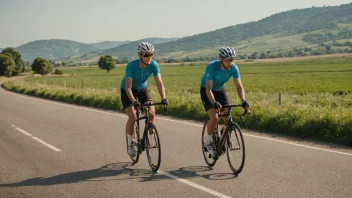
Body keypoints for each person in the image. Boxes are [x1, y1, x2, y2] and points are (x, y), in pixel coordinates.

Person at [200, 47, 250, 158]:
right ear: (221, 59)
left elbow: (238, 86)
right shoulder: (212, 67)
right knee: (215, 117)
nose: (230, 63)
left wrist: (243, 100)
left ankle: (223, 132)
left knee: (227, 117)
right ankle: (208, 142)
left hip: (220, 90)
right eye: (227, 60)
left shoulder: (234, 68)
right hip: (207, 90)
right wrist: (214, 102)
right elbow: (208, 88)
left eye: (231, 60)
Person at [120, 42, 168, 157]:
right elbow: (128, 88)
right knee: (133, 117)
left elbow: (159, 83)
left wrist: (164, 98)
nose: (149, 57)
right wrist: (133, 101)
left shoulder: (154, 65)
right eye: (146, 55)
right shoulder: (131, 65)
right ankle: (131, 143)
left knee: (151, 113)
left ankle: (149, 132)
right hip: (128, 91)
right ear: (140, 55)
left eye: (151, 54)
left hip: (142, 89)